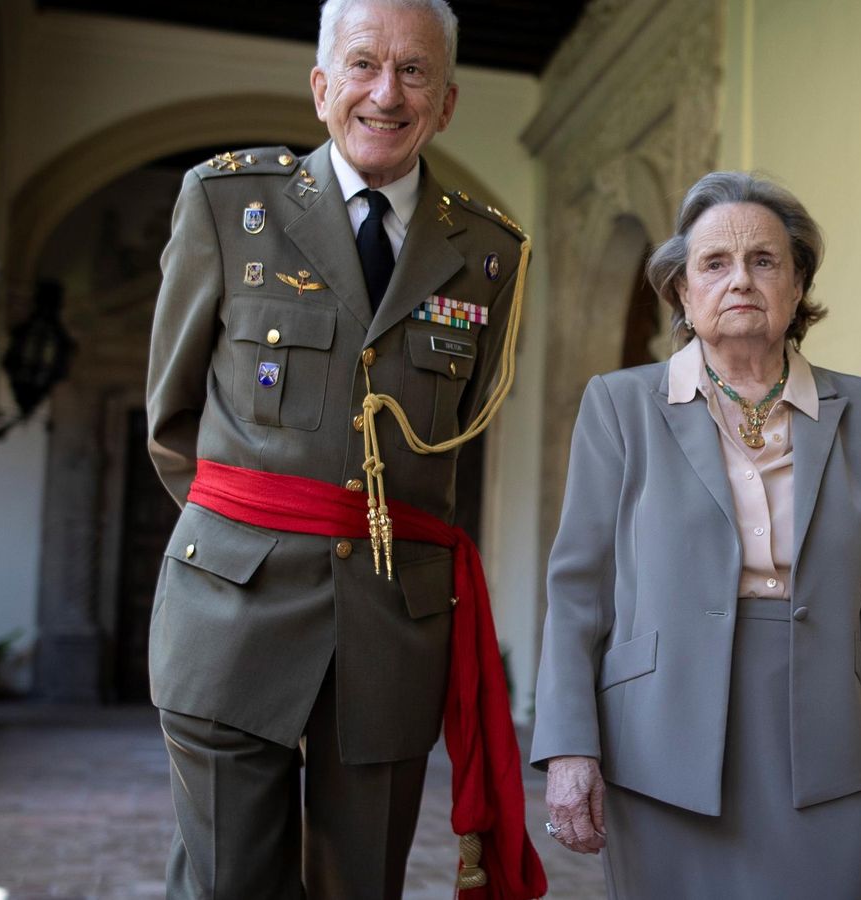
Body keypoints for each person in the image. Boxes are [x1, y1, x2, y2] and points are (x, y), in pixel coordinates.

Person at [144, 1, 544, 897]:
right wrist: (253, 536)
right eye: (364, 65)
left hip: (390, 626)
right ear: (322, 86)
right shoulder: (227, 205)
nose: (386, 93)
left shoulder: (488, 253)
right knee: (225, 884)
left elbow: (456, 442)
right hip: (230, 609)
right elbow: (171, 423)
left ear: (445, 103)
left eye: (415, 72)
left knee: (360, 885)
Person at [530, 171, 861, 897]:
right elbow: (578, 594)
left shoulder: (860, 409)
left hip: (823, 745)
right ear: (684, 293)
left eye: (764, 261)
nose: (740, 280)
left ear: (798, 284)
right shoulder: (620, 405)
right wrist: (569, 749)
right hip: (660, 743)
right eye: (714, 263)